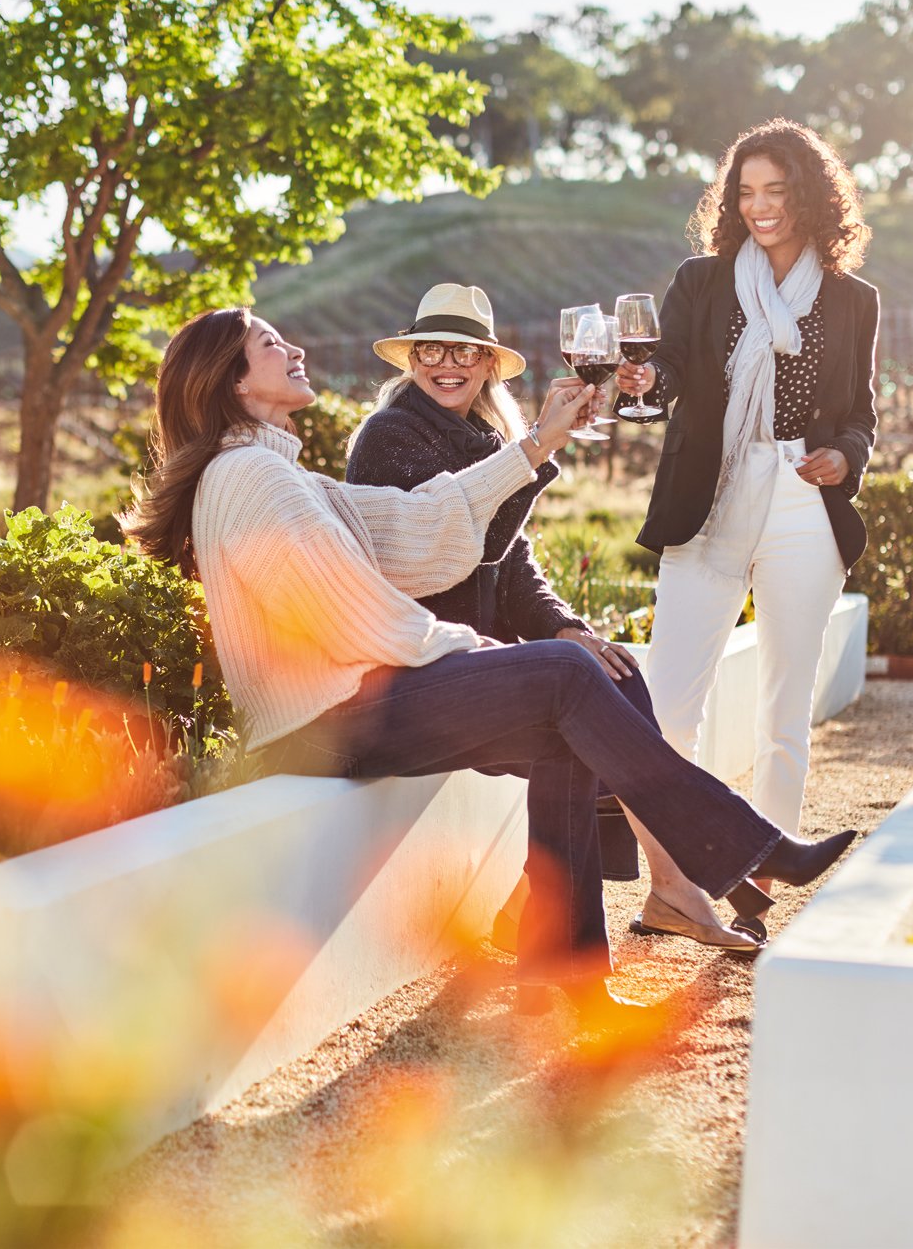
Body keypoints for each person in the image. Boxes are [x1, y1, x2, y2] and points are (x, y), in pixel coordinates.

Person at [121, 305, 856, 1018]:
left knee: (560, 727)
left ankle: (565, 969)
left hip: (352, 702)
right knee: (565, 675)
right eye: (271, 343)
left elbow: (420, 527)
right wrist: (474, 648)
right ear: (233, 380)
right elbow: (342, 609)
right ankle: (749, 849)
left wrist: (538, 444)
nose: (295, 351)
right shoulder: (249, 476)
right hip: (324, 720)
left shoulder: (282, 474)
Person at [345, 283, 757, 953]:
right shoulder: (390, 438)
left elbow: (515, 572)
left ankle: (643, 894)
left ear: (486, 366)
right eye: (430, 349)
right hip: (426, 672)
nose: (445, 363)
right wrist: (536, 451)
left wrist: (567, 628)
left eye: (464, 351)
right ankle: (671, 890)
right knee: (598, 722)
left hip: (480, 661)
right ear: (411, 359)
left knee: (615, 673)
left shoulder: (485, 437)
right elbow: (459, 548)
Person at [613, 117, 879, 949]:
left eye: (775, 190)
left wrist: (843, 456)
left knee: (783, 707)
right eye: (746, 192)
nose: (760, 207)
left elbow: (862, 419)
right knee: (669, 705)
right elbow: (673, 373)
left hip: (804, 497)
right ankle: (676, 883)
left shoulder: (853, 300)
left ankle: (761, 876)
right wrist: (645, 375)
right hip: (714, 494)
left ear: (808, 195)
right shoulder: (701, 283)